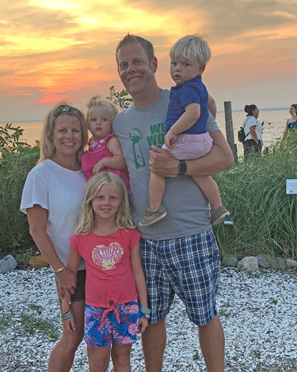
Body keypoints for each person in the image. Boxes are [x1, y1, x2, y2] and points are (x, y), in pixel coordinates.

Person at [113, 33, 234, 372]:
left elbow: (225, 157)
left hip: (191, 233)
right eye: (123, 65)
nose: (130, 69)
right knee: (150, 319)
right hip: (146, 241)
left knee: (205, 317)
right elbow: (123, 168)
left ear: (153, 64)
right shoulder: (121, 123)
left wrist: (180, 167)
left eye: (137, 61)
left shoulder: (182, 100)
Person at [20, 102, 88, 372]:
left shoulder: (89, 169)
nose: (69, 136)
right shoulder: (41, 174)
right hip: (72, 270)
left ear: (83, 135)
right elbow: (36, 229)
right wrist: (60, 270)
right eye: (62, 130)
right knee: (73, 335)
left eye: (75, 130)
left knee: (101, 337)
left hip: (102, 263)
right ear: (50, 135)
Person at [62, 172, 149, 372]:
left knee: (122, 359)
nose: (106, 203)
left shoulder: (129, 233)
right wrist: (65, 310)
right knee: (98, 362)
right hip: (95, 310)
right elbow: (69, 277)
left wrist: (144, 310)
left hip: (127, 308)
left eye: (112, 197)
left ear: (121, 201)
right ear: (90, 200)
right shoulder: (80, 237)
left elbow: (137, 273)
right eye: (100, 197)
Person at [139, 35, 229, 227]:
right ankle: (218, 207)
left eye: (185, 65)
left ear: (200, 68)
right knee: (200, 173)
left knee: (157, 164)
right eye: (174, 63)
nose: (177, 68)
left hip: (187, 139)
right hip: (201, 141)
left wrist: (172, 132)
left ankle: (154, 209)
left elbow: (193, 113)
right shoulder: (198, 87)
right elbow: (209, 105)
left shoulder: (187, 88)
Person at [82, 95, 130, 192]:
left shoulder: (110, 141)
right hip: (99, 188)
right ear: (87, 125)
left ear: (112, 123)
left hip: (114, 188)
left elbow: (122, 161)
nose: (98, 123)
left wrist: (104, 162)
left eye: (104, 119)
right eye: (93, 120)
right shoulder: (91, 143)